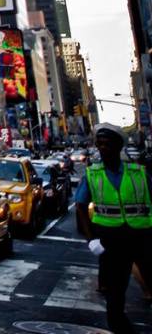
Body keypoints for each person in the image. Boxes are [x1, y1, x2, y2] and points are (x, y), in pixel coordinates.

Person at [75, 123, 152, 334]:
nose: (102, 148)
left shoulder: (139, 173)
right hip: (112, 241)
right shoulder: (92, 174)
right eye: (99, 144)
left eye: (107, 144)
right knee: (115, 294)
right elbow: (80, 206)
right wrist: (91, 239)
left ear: (118, 146)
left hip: (142, 236)